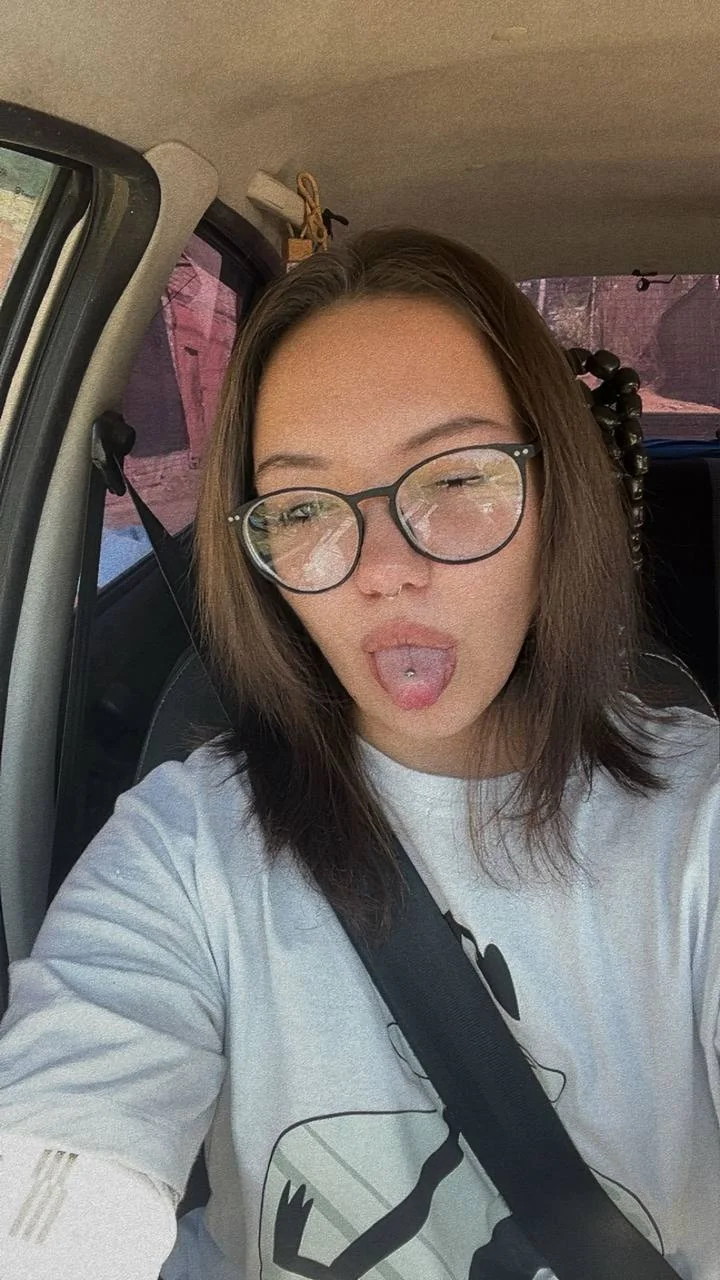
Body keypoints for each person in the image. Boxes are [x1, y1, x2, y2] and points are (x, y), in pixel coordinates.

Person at [0, 226, 718, 1280]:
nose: (382, 568)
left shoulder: (699, 820)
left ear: (558, 493)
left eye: (456, 476)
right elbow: (58, 1166)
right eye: (301, 506)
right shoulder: (181, 848)